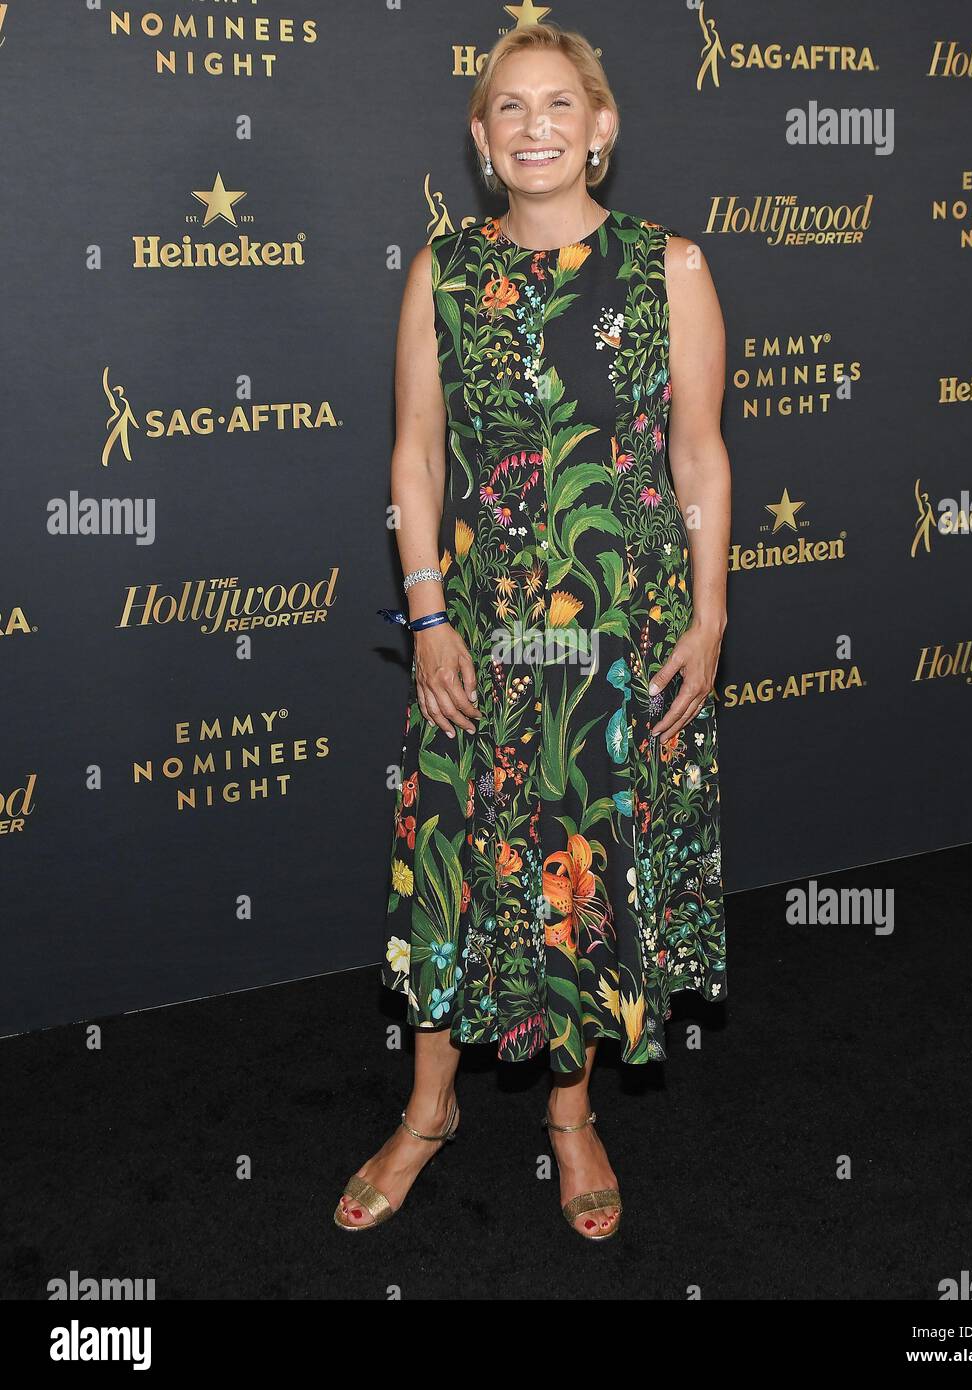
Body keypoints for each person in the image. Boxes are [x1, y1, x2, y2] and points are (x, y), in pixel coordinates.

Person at [335, 22, 731, 1241]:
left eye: (560, 104)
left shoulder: (671, 268)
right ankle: (427, 1109)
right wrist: (429, 616)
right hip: (484, 632)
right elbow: (412, 455)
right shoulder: (440, 271)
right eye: (509, 108)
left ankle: (570, 1116)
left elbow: (699, 458)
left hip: (624, 629)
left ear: (600, 129)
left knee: (587, 866)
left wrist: (710, 616)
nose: (535, 125)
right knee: (460, 855)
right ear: (480, 138)